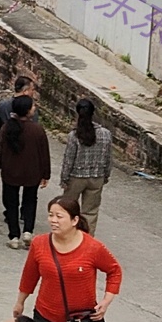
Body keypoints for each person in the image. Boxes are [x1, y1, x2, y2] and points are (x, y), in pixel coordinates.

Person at [0, 94, 50, 249]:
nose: (34, 108)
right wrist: (46, 174)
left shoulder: (7, 128)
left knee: (11, 203)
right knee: (30, 200)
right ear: (27, 111)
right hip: (32, 171)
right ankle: (28, 231)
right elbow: (44, 153)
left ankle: (14, 236)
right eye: (32, 106)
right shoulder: (37, 130)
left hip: (10, 171)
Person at [58, 98, 113, 235]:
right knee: (90, 211)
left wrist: (64, 178)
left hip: (76, 176)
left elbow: (69, 159)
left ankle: (66, 234)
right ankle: (87, 238)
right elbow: (108, 158)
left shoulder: (74, 135)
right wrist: (106, 175)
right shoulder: (106, 134)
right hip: (96, 176)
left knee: (68, 208)